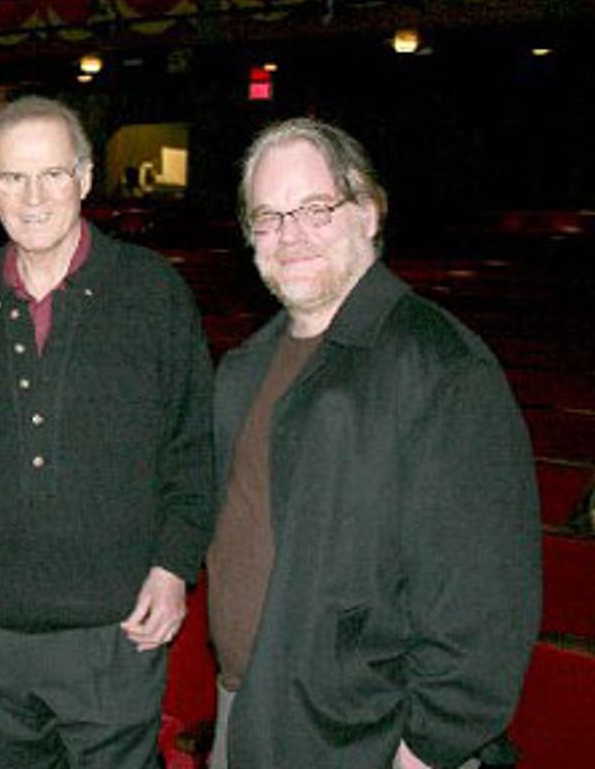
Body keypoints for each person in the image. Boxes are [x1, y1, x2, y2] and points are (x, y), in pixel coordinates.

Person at [207, 117, 541, 769]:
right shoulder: (245, 368)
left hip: (362, 733)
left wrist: (426, 748)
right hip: (245, 707)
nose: (290, 235)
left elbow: (483, 599)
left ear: (366, 213)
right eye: (268, 217)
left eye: (313, 209)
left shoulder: (439, 366)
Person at [0, 95, 216, 768]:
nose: (34, 196)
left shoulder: (152, 291)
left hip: (113, 626)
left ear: (83, 178)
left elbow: (194, 445)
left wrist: (173, 567)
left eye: (52, 174)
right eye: (14, 177)